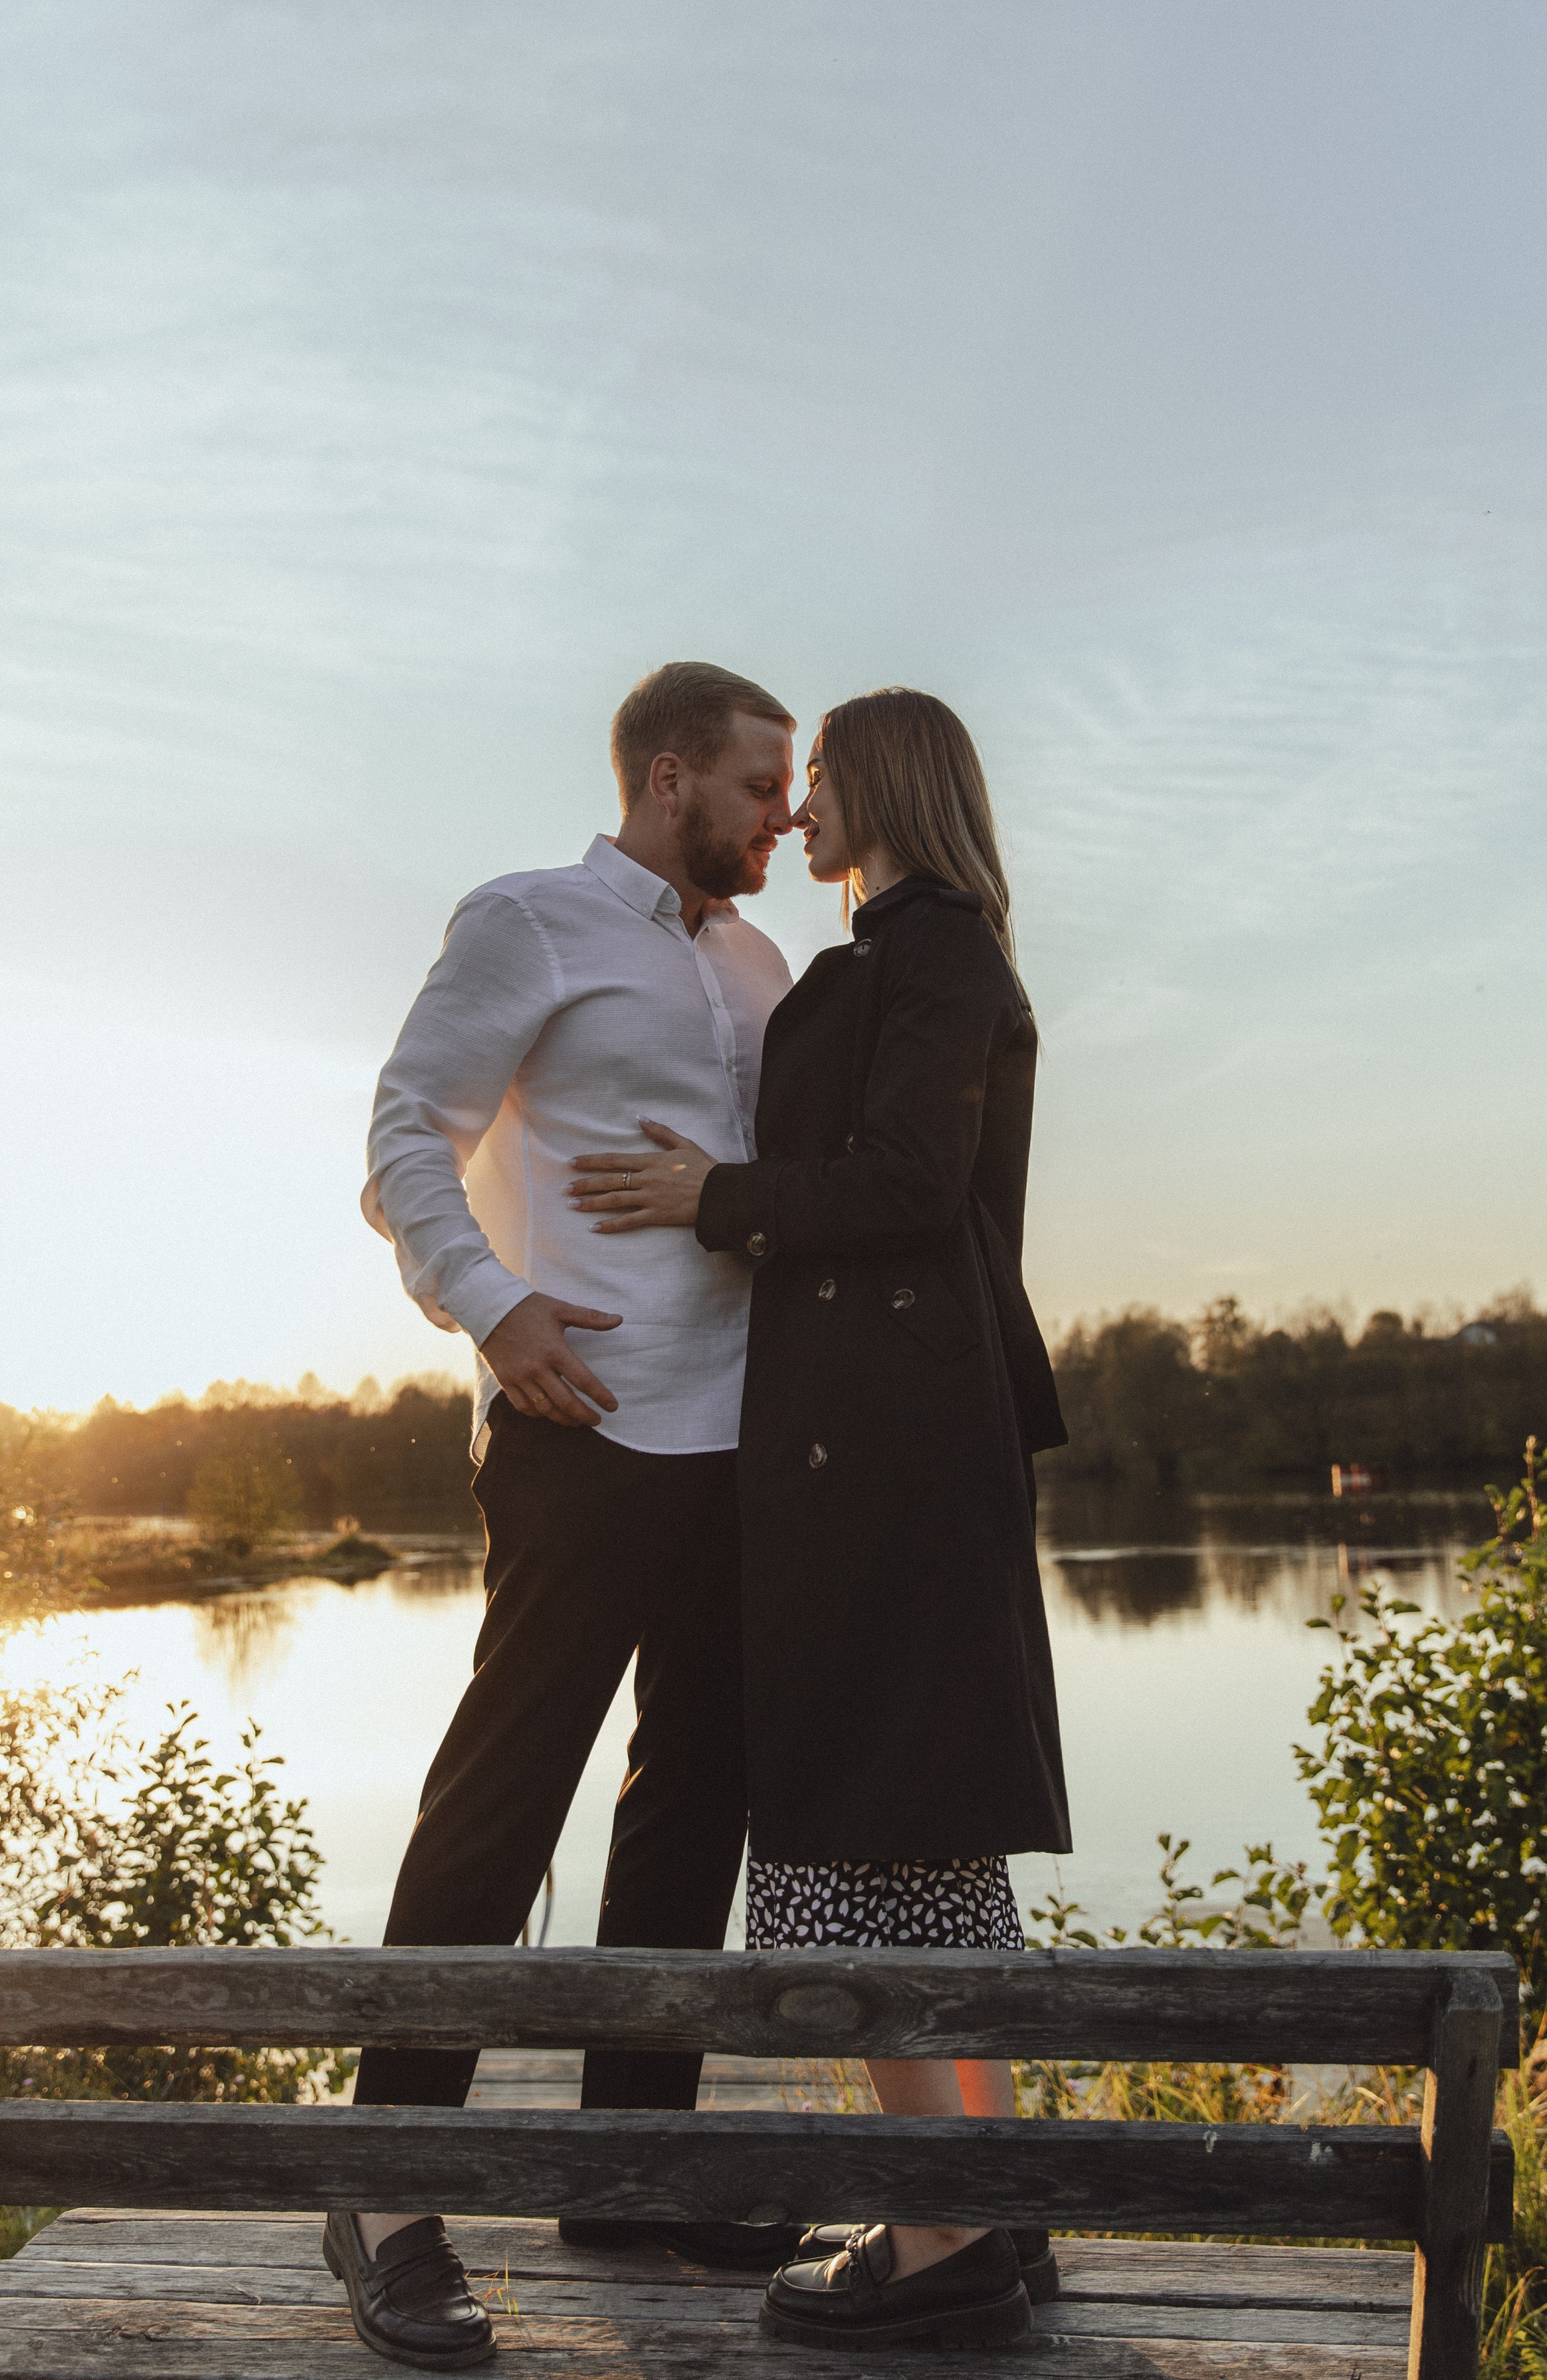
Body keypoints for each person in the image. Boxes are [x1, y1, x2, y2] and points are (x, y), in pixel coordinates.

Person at [568, 685, 1072, 2353]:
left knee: (860, 1833)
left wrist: (712, 1199)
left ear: (888, 790)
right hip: (881, 1447)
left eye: (819, 783)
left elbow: (910, 1187)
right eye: (776, 791)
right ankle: (980, 2207)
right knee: (912, 1843)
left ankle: (937, 2240)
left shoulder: (923, 955)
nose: (793, 816)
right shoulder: (910, 955)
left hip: (883, 1456)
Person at [321, 661, 800, 2371]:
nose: (783, 816)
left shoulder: (760, 962)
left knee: (693, 1806)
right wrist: (492, 1306)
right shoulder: (527, 922)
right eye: (757, 786)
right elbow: (402, 1138)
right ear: (668, 776)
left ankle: (626, 2159)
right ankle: (384, 2187)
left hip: (744, 1443)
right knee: (506, 1789)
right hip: (577, 1424)